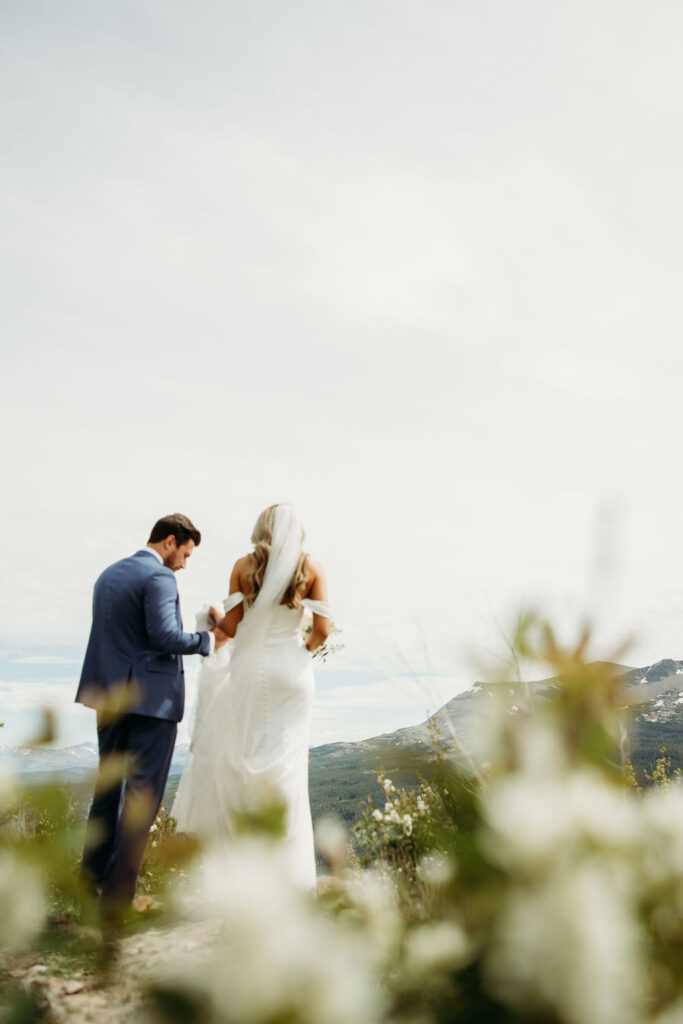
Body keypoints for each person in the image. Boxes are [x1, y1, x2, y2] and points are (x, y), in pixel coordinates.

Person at [172, 503, 330, 891]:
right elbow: (323, 631)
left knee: (243, 761)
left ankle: (244, 874)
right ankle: (291, 879)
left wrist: (212, 614)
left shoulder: (243, 566)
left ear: (260, 529)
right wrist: (299, 652)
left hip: (250, 670)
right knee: (290, 768)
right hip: (293, 672)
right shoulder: (311, 568)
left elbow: (232, 627)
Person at [76, 513, 228, 914]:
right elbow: (164, 636)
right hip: (152, 705)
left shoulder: (107, 576)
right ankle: (116, 904)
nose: (183, 563)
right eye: (186, 554)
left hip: (110, 699)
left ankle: (89, 891)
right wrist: (210, 639)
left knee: (107, 796)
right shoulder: (160, 577)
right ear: (170, 541)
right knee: (140, 801)